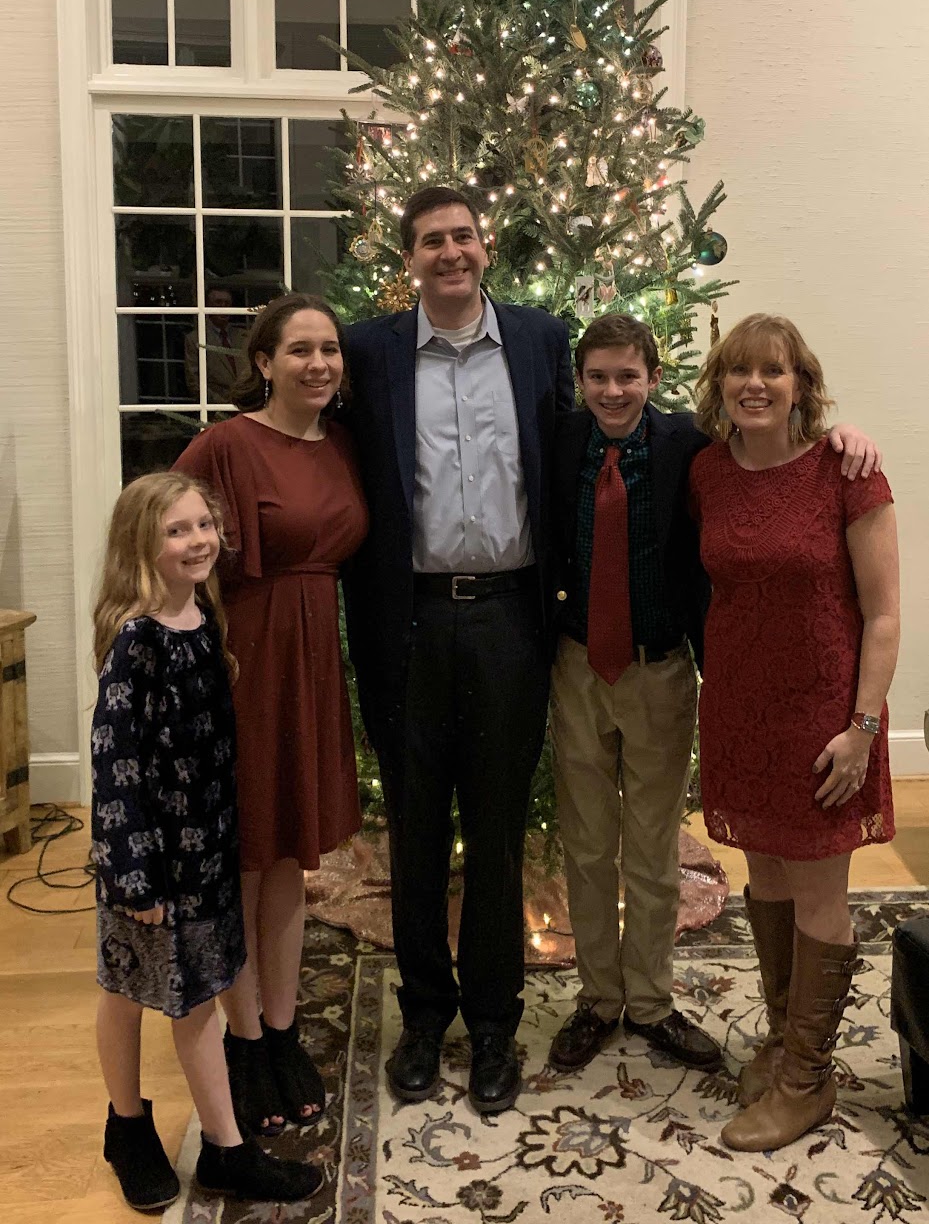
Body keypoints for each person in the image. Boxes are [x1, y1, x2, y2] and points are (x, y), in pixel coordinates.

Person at [546, 313, 882, 1080]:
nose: (612, 390)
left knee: (653, 845)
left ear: (654, 378)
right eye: (596, 377)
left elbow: (784, 454)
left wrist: (842, 434)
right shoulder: (559, 441)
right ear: (578, 382)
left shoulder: (688, 449)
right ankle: (598, 998)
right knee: (588, 844)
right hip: (575, 667)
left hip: (660, 667)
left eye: (627, 376)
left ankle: (650, 1001)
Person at [341, 186, 575, 1114]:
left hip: (511, 620)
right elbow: (298, 425)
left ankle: (491, 1023)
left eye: (463, 236)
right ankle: (424, 1014)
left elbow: (591, 441)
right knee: (415, 829)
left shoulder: (540, 339)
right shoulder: (367, 351)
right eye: (431, 240)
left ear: (486, 247)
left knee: (498, 828)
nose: (451, 252)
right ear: (408, 259)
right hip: (406, 621)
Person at [689, 313, 898, 1151]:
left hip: (823, 719)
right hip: (739, 710)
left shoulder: (847, 473)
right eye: (738, 370)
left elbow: (883, 615)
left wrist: (862, 728)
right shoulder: (707, 471)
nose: (754, 384)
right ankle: (782, 1042)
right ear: (719, 384)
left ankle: (807, 1080)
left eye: (771, 371)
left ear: (800, 385)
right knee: (767, 873)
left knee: (819, 892)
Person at [91, 472, 322, 1211]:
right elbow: (114, 764)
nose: (197, 541)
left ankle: (210, 1146)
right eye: (176, 530)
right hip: (150, 866)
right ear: (140, 544)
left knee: (192, 995)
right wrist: (134, 875)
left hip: (207, 853)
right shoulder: (136, 640)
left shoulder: (202, 619)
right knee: (134, 995)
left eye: (203, 525)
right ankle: (148, 1131)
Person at [175, 293, 368, 1139]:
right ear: (263, 362)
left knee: (290, 851)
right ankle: (244, 1039)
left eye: (329, 349)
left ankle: (281, 1030)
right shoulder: (225, 446)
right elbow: (158, 541)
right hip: (242, 664)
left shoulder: (345, 445)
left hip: (314, 663)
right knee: (244, 857)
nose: (318, 364)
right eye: (299, 350)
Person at [184, 287, 246, 402]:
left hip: (247, 404)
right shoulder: (196, 339)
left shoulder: (244, 336)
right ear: (208, 306)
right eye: (218, 302)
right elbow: (194, 382)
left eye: (227, 303)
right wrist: (222, 404)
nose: (223, 307)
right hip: (216, 407)